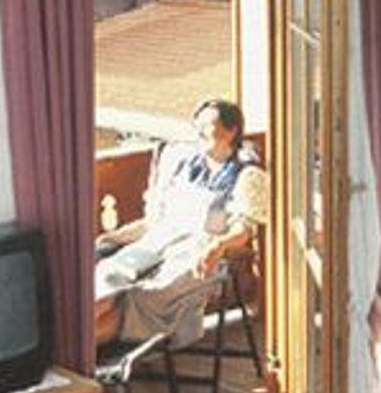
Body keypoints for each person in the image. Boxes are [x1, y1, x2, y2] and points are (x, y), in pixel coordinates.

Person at [95, 97, 268, 350]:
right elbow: (155, 220)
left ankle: (84, 355)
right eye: (197, 125)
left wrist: (218, 246)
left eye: (207, 125)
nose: (200, 131)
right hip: (159, 243)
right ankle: (76, 352)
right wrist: (113, 238)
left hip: (196, 253)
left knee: (142, 296)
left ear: (231, 130)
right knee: (108, 275)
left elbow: (243, 229)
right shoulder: (185, 167)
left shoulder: (245, 176)